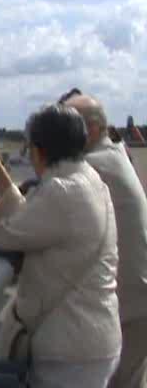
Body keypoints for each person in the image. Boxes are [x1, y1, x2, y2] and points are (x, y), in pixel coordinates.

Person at [0, 104, 121, 388]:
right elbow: (33, 222)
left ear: (38, 152)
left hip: (70, 354)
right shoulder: (88, 180)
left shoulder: (61, 192)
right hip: (91, 341)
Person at [63, 94, 147, 388]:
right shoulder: (116, 154)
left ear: (94, 130)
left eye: (68, 126)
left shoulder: (93, 165)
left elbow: (36, 211)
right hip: (136, 299)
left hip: (127, 306)